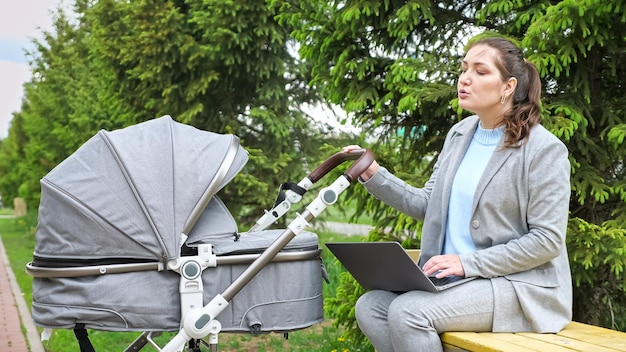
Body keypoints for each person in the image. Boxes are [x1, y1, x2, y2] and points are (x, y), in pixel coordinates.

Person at [344, 35, 572, 352]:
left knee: (409, 312)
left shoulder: (544, 150)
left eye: (480, 71)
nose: (465, 78)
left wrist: (468, 263)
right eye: (464, 68)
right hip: (459, 283)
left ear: (508, 86)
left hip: (517, 286)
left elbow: (546, 241)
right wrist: (374, 175)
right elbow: (428, 204)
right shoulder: (460, 134)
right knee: (371, 306)